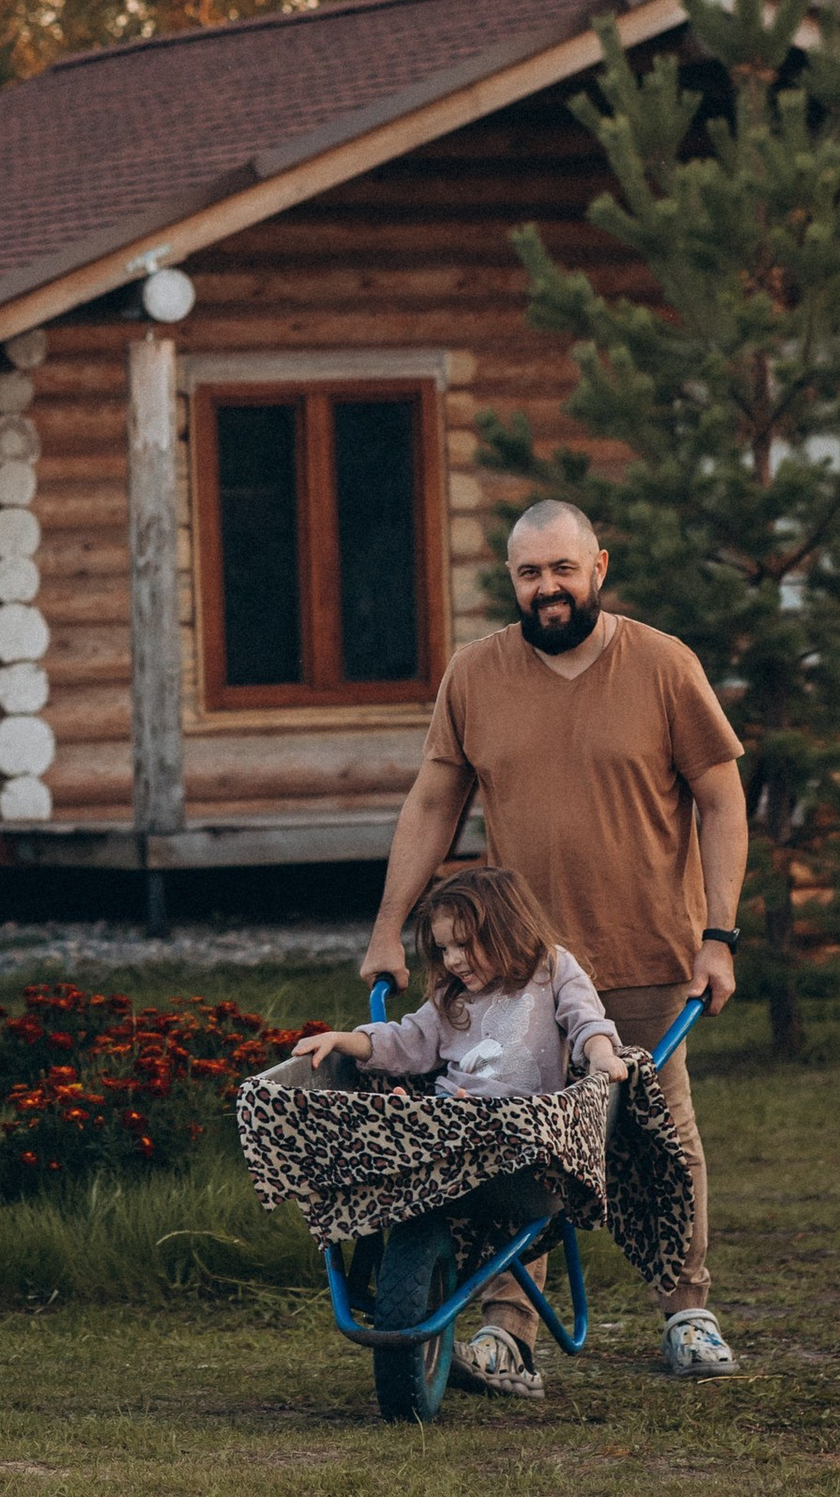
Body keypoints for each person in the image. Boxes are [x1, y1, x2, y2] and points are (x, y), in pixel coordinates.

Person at [362, 498, 746, 1386]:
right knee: (517, 1142)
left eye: (564, 569)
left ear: (598, 569)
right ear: (513, 579)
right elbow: (431, 804)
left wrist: (718, 936)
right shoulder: (477, 675)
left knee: (662, 1137)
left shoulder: (661, 666)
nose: (548, 589)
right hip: (517, 968)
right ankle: (506, 1325)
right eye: (530, 573)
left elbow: (722, 799)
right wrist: (388, 930)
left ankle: (687, 1309)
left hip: (649, 947)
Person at [295, 863, 631, 1402]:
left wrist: (601, 1058)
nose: (451, 961)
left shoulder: (552, 971)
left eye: (463, 946)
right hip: (451, 1129)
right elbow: (407, 1041)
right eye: (444, 950)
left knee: (466, 1121)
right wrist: (343, 1040)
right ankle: (384, 1269)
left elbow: (586, 1020)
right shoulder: (452, 997)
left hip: (522, 1141)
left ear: (507, 929)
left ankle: (479, 1332)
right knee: (411, 1110)